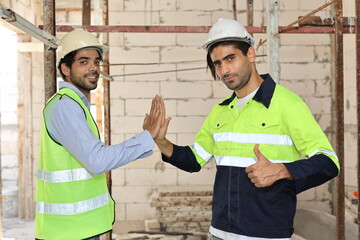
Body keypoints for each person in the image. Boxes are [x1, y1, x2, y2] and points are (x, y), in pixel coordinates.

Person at [154, 18, 340, 240]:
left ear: (251, 54)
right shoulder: (220, 112)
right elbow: (194, 160)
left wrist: (283, 170)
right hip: (219, 233)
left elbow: (329, 162)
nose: (224, 70)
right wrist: (161, 142)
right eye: (218, 63)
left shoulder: (288, 104)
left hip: (266, 235)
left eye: (230, 58)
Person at [35, 29, 164, 240]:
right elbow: (96, 160)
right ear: (66, 68)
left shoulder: (75, 105)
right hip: (67, 233)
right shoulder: (65, 107)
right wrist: (146, 137)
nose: (94, 68)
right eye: (84, 62)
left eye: (96, 62)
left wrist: (147, 138)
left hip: (76, 230)